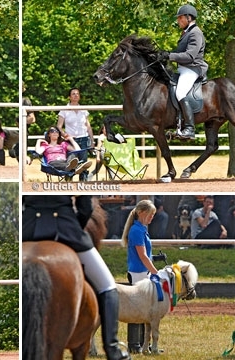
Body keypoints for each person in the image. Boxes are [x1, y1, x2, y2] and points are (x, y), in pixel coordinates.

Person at [22, 195, 130, 360]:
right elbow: (85, 205)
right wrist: (75, 225)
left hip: (28, 228)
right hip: (66, 228)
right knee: (108, 285)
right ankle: (113, 348)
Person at [158, 4, 208, 140]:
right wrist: (164, 55)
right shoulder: (186, 33)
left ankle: (190, 129)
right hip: (183, 69)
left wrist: (170, 56)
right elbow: (180, 53)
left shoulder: (196, 33)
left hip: (193, 69)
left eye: (180, 18)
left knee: (180, 92)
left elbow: (190, 56)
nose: (178, 21)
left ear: (188, 17)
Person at [122, 199, 159, 353]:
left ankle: (144, 344)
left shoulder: (141, 229)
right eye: (150, 214)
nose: (152, 217)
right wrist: (157, 273)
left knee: (144, 310)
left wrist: (155, 259)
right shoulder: (137, 231)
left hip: (143, 271)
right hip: (138, 272)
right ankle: (133, 344)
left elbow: (146, 255)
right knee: (136, 309)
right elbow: (142, 256)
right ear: (141, 213)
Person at [57, 88, 95, 180]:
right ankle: (68, 183)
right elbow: (59, 126)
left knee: (83, 164)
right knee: (71, 162)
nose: (76, 95)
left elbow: (88, 127)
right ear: (69, 97)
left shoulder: (84, 110)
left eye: (77, 94)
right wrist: (64, 134)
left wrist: (92, 140)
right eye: (73, 94)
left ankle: (83, 184)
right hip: (71, 140)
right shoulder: (64, 110)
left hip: (84, 138)